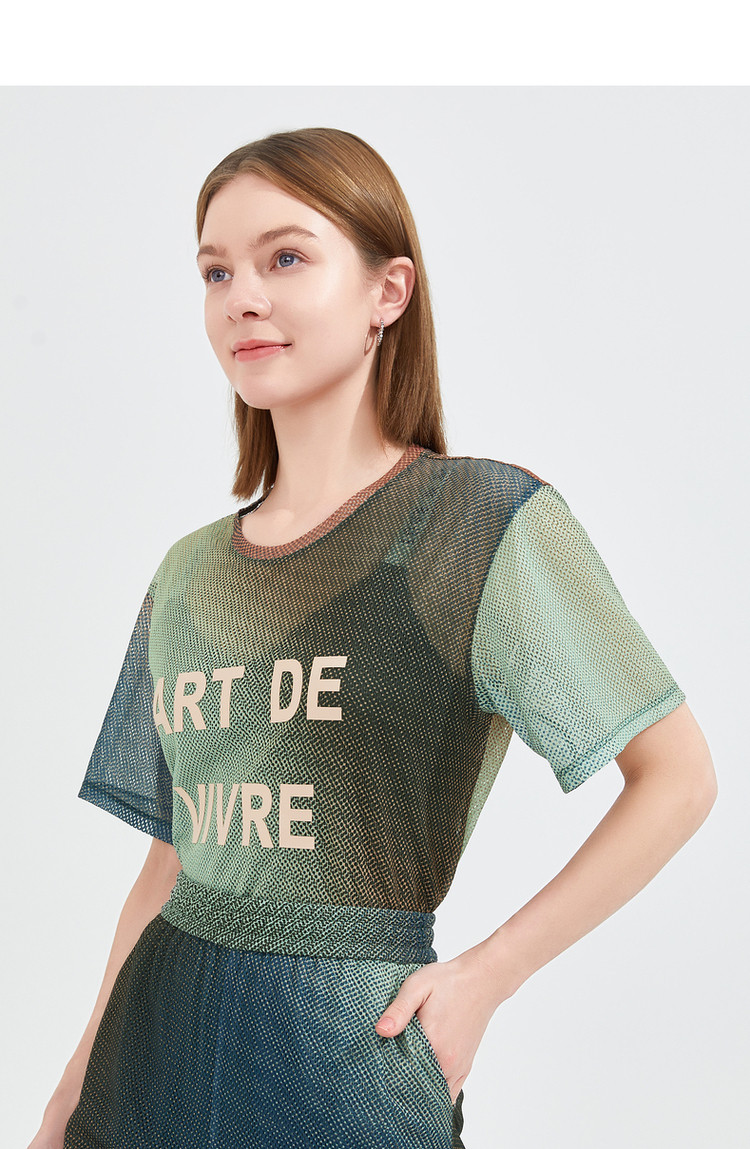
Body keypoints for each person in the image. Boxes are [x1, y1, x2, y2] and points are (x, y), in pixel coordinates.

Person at [31, 126, 716, 1149]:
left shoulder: (474, 526)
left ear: (387, 292)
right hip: (147, 1059)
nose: (241, 297)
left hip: (344, 1059)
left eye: (284, 258)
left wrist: (487, 976)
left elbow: (679, 778)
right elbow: (171, 861)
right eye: (216, 271)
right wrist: (70, 1089)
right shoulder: (188, 574)